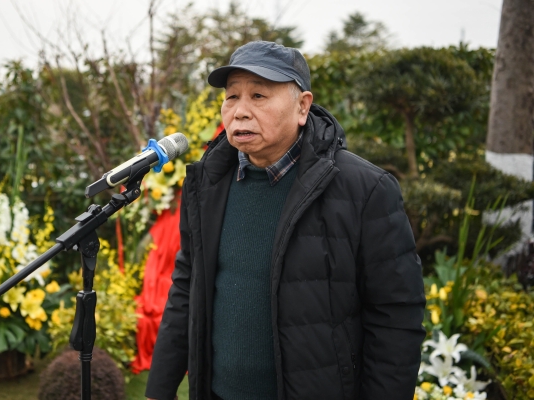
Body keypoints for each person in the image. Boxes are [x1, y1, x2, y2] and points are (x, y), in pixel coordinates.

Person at [145, 41, 425, 400]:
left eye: (259, 96)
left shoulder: (366, 190)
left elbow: (395, 318)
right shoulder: (208, 183)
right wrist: (159, 390)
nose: (240, 111)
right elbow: (187, 286)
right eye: (232, 97)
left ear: (302, 107)